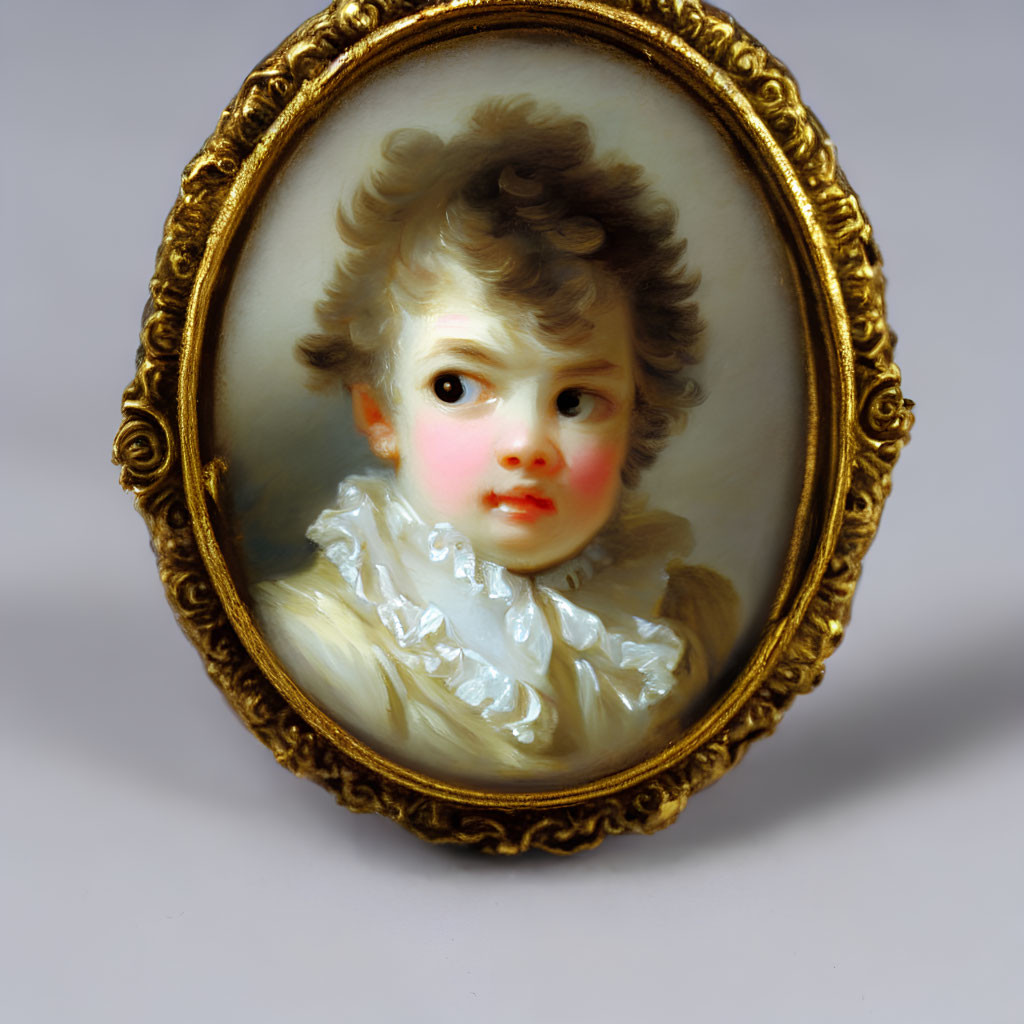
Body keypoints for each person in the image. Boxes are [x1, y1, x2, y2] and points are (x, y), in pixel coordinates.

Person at [252, 97, 738, 788]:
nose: (526, 445)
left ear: (637, 415)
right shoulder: (316, 646)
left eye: (575, 401)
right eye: (457, 388)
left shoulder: (696, 620)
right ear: (379, 412)